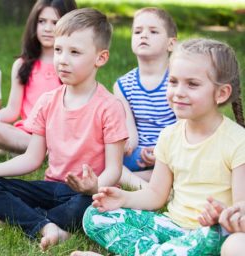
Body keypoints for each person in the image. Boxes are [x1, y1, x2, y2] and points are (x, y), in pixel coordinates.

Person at [0, 8, 128, 251]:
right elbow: (33, 158)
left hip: (87, 195)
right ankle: (47, 226)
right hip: (51, 187)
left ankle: (23, 220)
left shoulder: (110, 107)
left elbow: (114, 170)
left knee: (82, 207)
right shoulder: (47, 101)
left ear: (101, 58)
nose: (62, 59)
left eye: (74, 52)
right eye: (58, 50)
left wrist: (93, 187)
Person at [72, 38, 245, 256]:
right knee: (94, 216)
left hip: (211, 233)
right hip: (171, 227)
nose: (179, 91)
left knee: (227, 240)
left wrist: (221, 215)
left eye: (192, 84)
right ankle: (161, 252)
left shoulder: (238, 141)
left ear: (221, 93)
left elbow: (242, 207)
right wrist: (123, 198)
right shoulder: (169, 135)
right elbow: (155, 194)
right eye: (173, 82)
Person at [0, 0, 77, 154]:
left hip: (61, 133)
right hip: (28, 132)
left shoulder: (71, 65)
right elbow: (12, 110)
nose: (47, 28)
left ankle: (30, 150)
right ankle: (36, 150)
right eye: (42, 21)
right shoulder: (22, 65)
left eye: (55, 22)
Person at [114, 7, 177, 189]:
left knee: (190, 161)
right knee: (106, 160)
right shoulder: (123, 85)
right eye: (138, 31)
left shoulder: (176, 79)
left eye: (153, 31)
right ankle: (149, 185)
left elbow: (184, 127)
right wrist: (127, 147)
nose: (144, 35)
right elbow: (131, 131)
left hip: (172, 150)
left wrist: (161, 152)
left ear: (170, 44)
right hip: (140, 154)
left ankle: (139, 181)